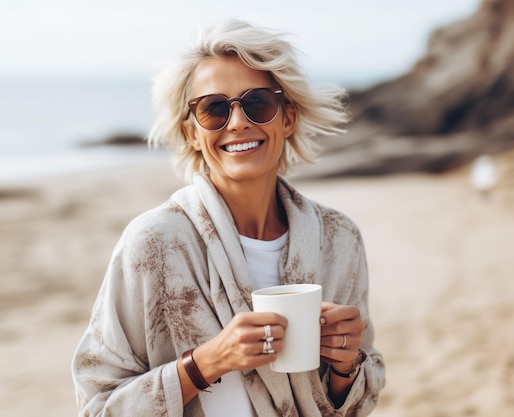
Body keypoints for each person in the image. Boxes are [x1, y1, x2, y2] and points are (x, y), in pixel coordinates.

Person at [72, 19, 385, 417]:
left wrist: (345, 366)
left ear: (287, 117)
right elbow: (97, 407)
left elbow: (359, 398)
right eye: (214, 109)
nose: (238, 122)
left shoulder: (339, 239)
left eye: (257, 103)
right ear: (191, 133)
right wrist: (206, 363)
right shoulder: (152, 243)